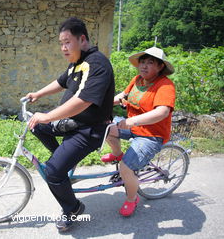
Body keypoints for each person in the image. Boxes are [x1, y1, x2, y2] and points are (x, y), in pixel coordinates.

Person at [26, 17, 115, 232]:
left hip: (89, 130)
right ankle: (65, 162)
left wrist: (47, 116)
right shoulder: (77, 64)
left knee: (53, 172)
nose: (63, 48)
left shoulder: (97, 64)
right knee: (36, 126)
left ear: (82, 39)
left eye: (67, 42)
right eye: (61, 43)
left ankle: (73, 208)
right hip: (73, 124)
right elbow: (60, 82)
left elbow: (83, 101)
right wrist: (38, 94)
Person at [101, 46, 176, 217]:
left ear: (160, 67)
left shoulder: (165, 85)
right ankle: (118, 154)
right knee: (104, 127)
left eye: (150, 63)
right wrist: (98, 103)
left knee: (125, 168)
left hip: (151, 135)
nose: (144, 66)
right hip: (132, 127)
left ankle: (131, 198)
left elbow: (162, 112)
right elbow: (123, 96)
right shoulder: (138, 80)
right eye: (142, 62)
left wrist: (132, 121)